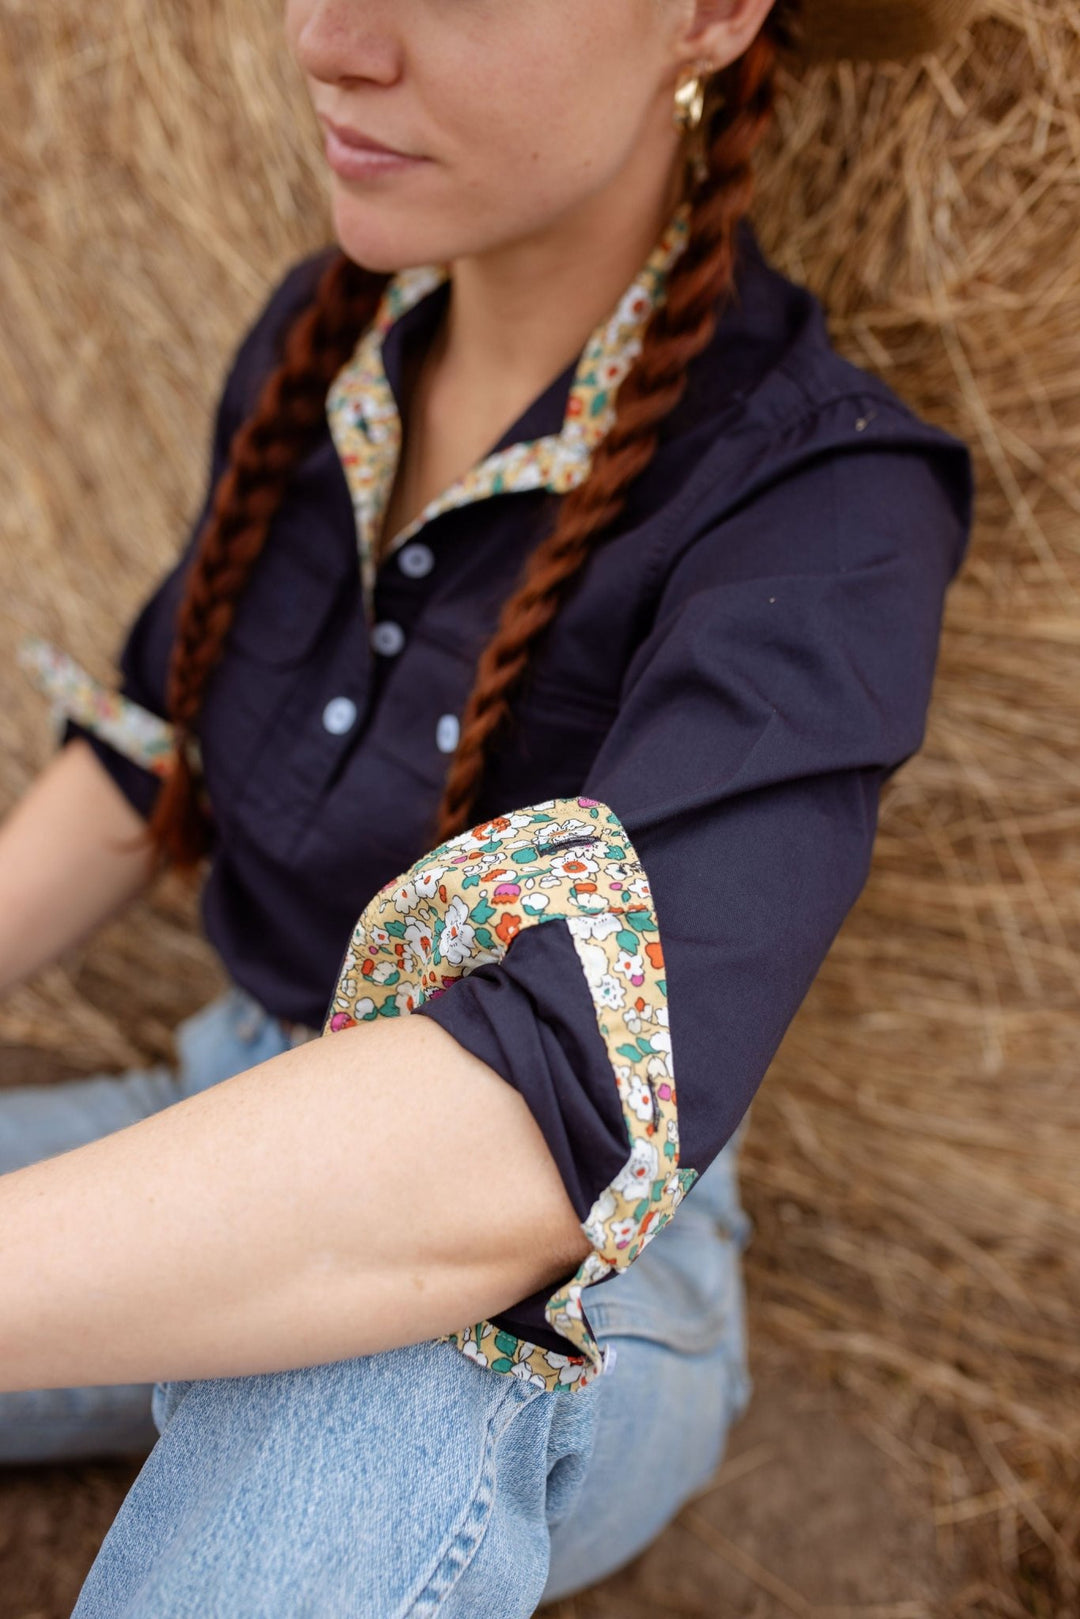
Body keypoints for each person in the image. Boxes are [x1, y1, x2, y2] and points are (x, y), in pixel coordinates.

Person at [1, 0, 974, 1612]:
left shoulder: (826, 503)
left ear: (714, 15)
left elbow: (529, 1134)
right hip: (223, 1100)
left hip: (594, 1243)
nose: (327, 39)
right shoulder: (321, 348)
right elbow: (141, 760)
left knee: (396, 1339)